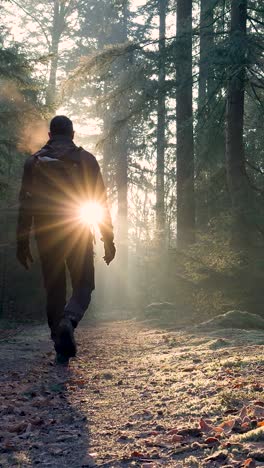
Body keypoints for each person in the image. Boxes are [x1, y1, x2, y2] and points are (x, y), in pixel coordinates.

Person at [16, 116, 116, 364]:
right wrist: (108, 238)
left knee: (54, 288)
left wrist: (22, 241)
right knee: (84, 283)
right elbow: (99, 201)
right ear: (72, 134)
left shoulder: (34, 162)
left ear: (49, 135)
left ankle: (59, 344)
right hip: (78, 227)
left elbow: (26, 204)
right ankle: (69, 321)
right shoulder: (86, 160)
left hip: (46, 232)